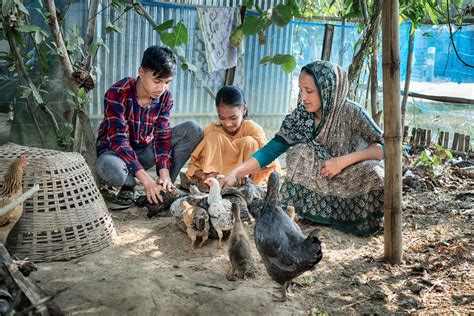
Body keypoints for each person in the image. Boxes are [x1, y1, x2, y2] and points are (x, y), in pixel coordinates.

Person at [220, 60, 384, 236]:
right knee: (301, 152)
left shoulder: (352, 112)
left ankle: (354, 219)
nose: (303, 97)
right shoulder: (301, 116)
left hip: (350, 175)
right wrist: (235, 173)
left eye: (309, 91)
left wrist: (341, 162)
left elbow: (384, 147)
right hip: (323, 176)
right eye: (300, 90)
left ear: (327, 89)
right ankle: (311, 213)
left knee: (375, 173)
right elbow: (270, 151)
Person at [96, 45, 203, 208]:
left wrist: (164, 173)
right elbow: (120, 142)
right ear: (141, 72)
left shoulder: (165, 97)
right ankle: (130, 184)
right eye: (157, 81)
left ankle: (165, 187)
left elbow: (161, 138)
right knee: (111, 168)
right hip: (115, 154)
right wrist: (146, 181)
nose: (161, 88)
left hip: (142, 152)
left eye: (167, 82)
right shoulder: (118, 92)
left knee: (193, 129)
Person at [183, 85, 279, 189]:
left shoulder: (252, 128)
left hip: (244, 184)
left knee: (250, 142)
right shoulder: (211, 129)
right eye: (222, 118)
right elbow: (193, 167)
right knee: (213, 138)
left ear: (244, 110)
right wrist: (205, 176)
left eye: (233, 118)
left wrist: (241, 173)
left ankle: (245, 183)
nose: (228, 124)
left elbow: (270, 161)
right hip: (215, 185)